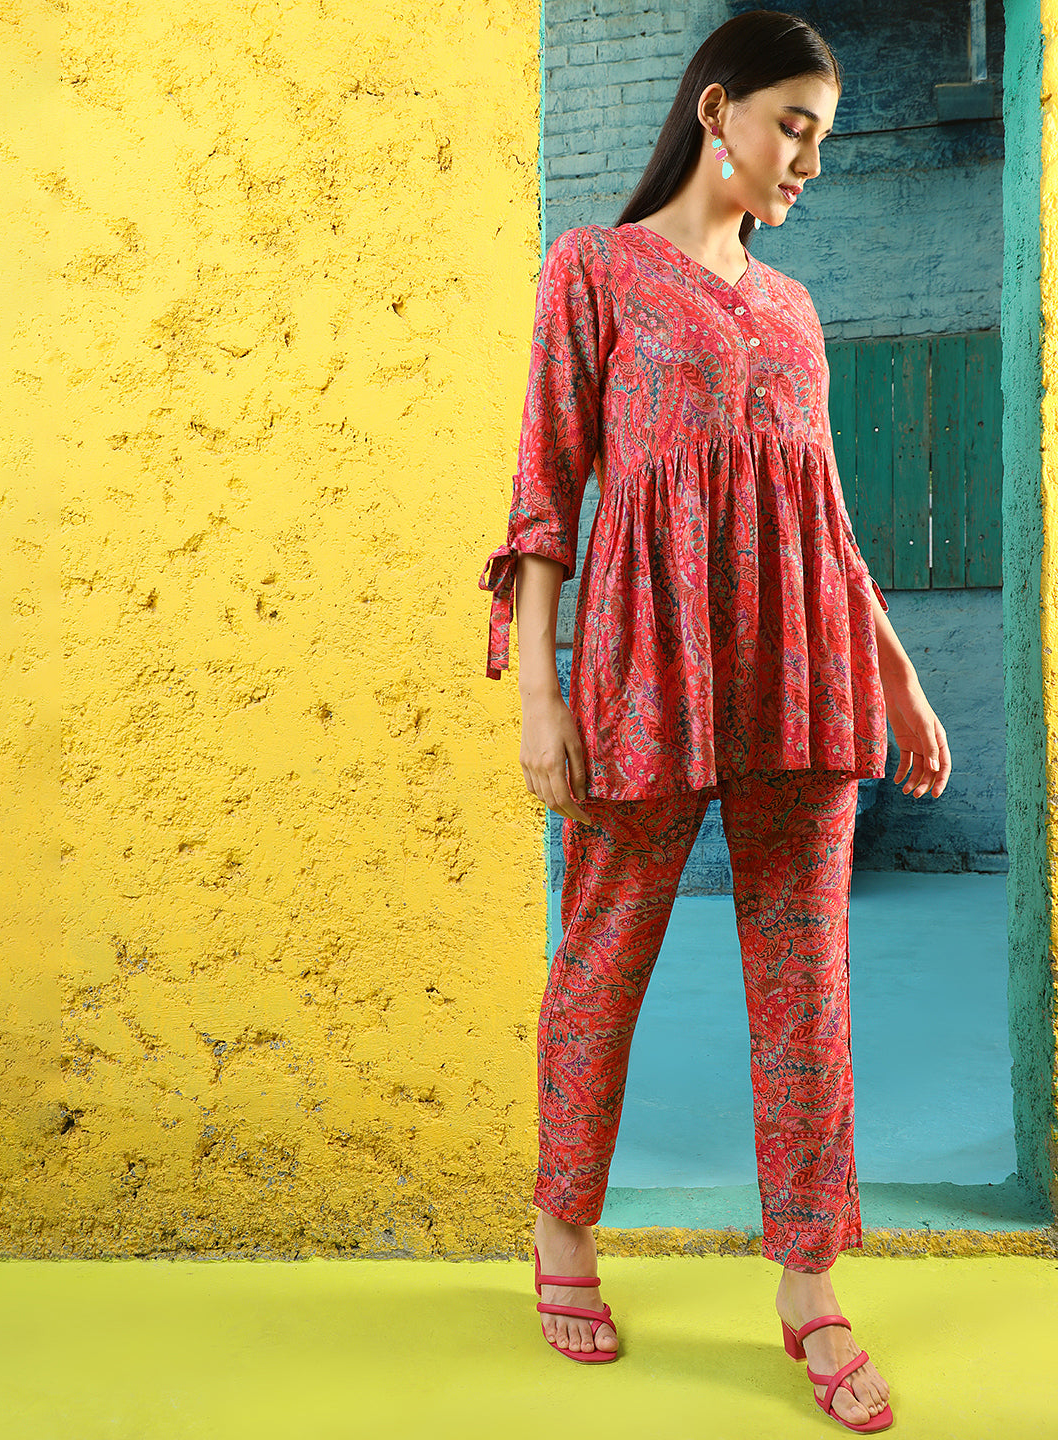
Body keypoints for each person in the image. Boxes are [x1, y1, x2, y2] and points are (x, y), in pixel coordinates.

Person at [478, 9, 951, 1433]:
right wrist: (542, 698)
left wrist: (898, 674)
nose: (809, 156)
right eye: (792, 124)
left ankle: (809, 1278)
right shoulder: (597, 270)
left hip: (802, 674)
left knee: (808, 988)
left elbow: (827, 516)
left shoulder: (795, 311)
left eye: (823, 136)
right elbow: (546, 496)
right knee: (603, 957)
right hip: (646, 672)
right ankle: (564, 1225)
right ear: (715, 110)